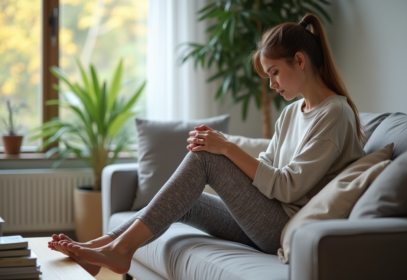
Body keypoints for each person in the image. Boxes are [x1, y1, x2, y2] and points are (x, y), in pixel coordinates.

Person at [48, 13, 365, 276]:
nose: (272, 84)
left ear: (299, 61)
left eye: (275, 73)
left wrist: (226, 148)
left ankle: (119, 250)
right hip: (267, 216)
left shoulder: (335, 113)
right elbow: (268, 168)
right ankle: (102, 245)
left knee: (205, 159)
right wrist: (229, 158)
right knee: (189, 202)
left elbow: (288, 188)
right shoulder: (293, 112)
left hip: (281, 226)